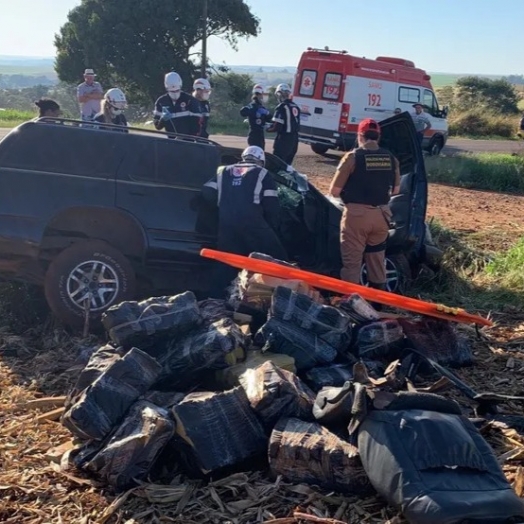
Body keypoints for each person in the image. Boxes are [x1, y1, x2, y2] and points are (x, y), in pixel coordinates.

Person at [328, 118, 400, 296]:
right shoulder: (391, 158)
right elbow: (397, 189)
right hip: (382, 216)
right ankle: (378, 303)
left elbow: (334, 191)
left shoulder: (353, 157)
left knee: (352, 263)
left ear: (360, 135)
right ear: (378, 136)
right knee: (376, 261)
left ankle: (349, 304)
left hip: (357, 217)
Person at [202, 145, 288, 293]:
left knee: (226, 262)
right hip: (253, 223)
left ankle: (215, 297)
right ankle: (280, 294)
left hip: (227, 223)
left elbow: (207, 191)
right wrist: (272, 226)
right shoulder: (262, 173)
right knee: (277, 258)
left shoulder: (224, 171)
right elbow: (271, 206)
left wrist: (220, 207)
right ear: (261, 160)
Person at [153, 72, 201, 136]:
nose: (175, 93)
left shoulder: (190, 100)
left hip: (189, 141)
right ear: (167, 89)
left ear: (180, 87)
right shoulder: (161, 102)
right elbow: (158, 127)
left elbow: (197, 124)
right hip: (171, 141)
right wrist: (162, 119)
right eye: (172, 91)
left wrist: (189, 137)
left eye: (177, 90)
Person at [268, 83, 301, 165]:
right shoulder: (295, 106)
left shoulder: (282, 107)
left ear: (280, 94)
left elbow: (277, 127)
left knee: (277, 164)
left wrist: (268, 128)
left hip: (284, 139)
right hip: (295, 140)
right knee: (287, 165)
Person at [240, 84, 272, 149]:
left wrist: (267, 113)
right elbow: (243, 112)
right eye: (262, 94)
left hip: (260, 135)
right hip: (254, 135)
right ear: (259, 94)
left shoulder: (262, 107)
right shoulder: (252, 105)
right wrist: (254, 111)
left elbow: (269, 119)